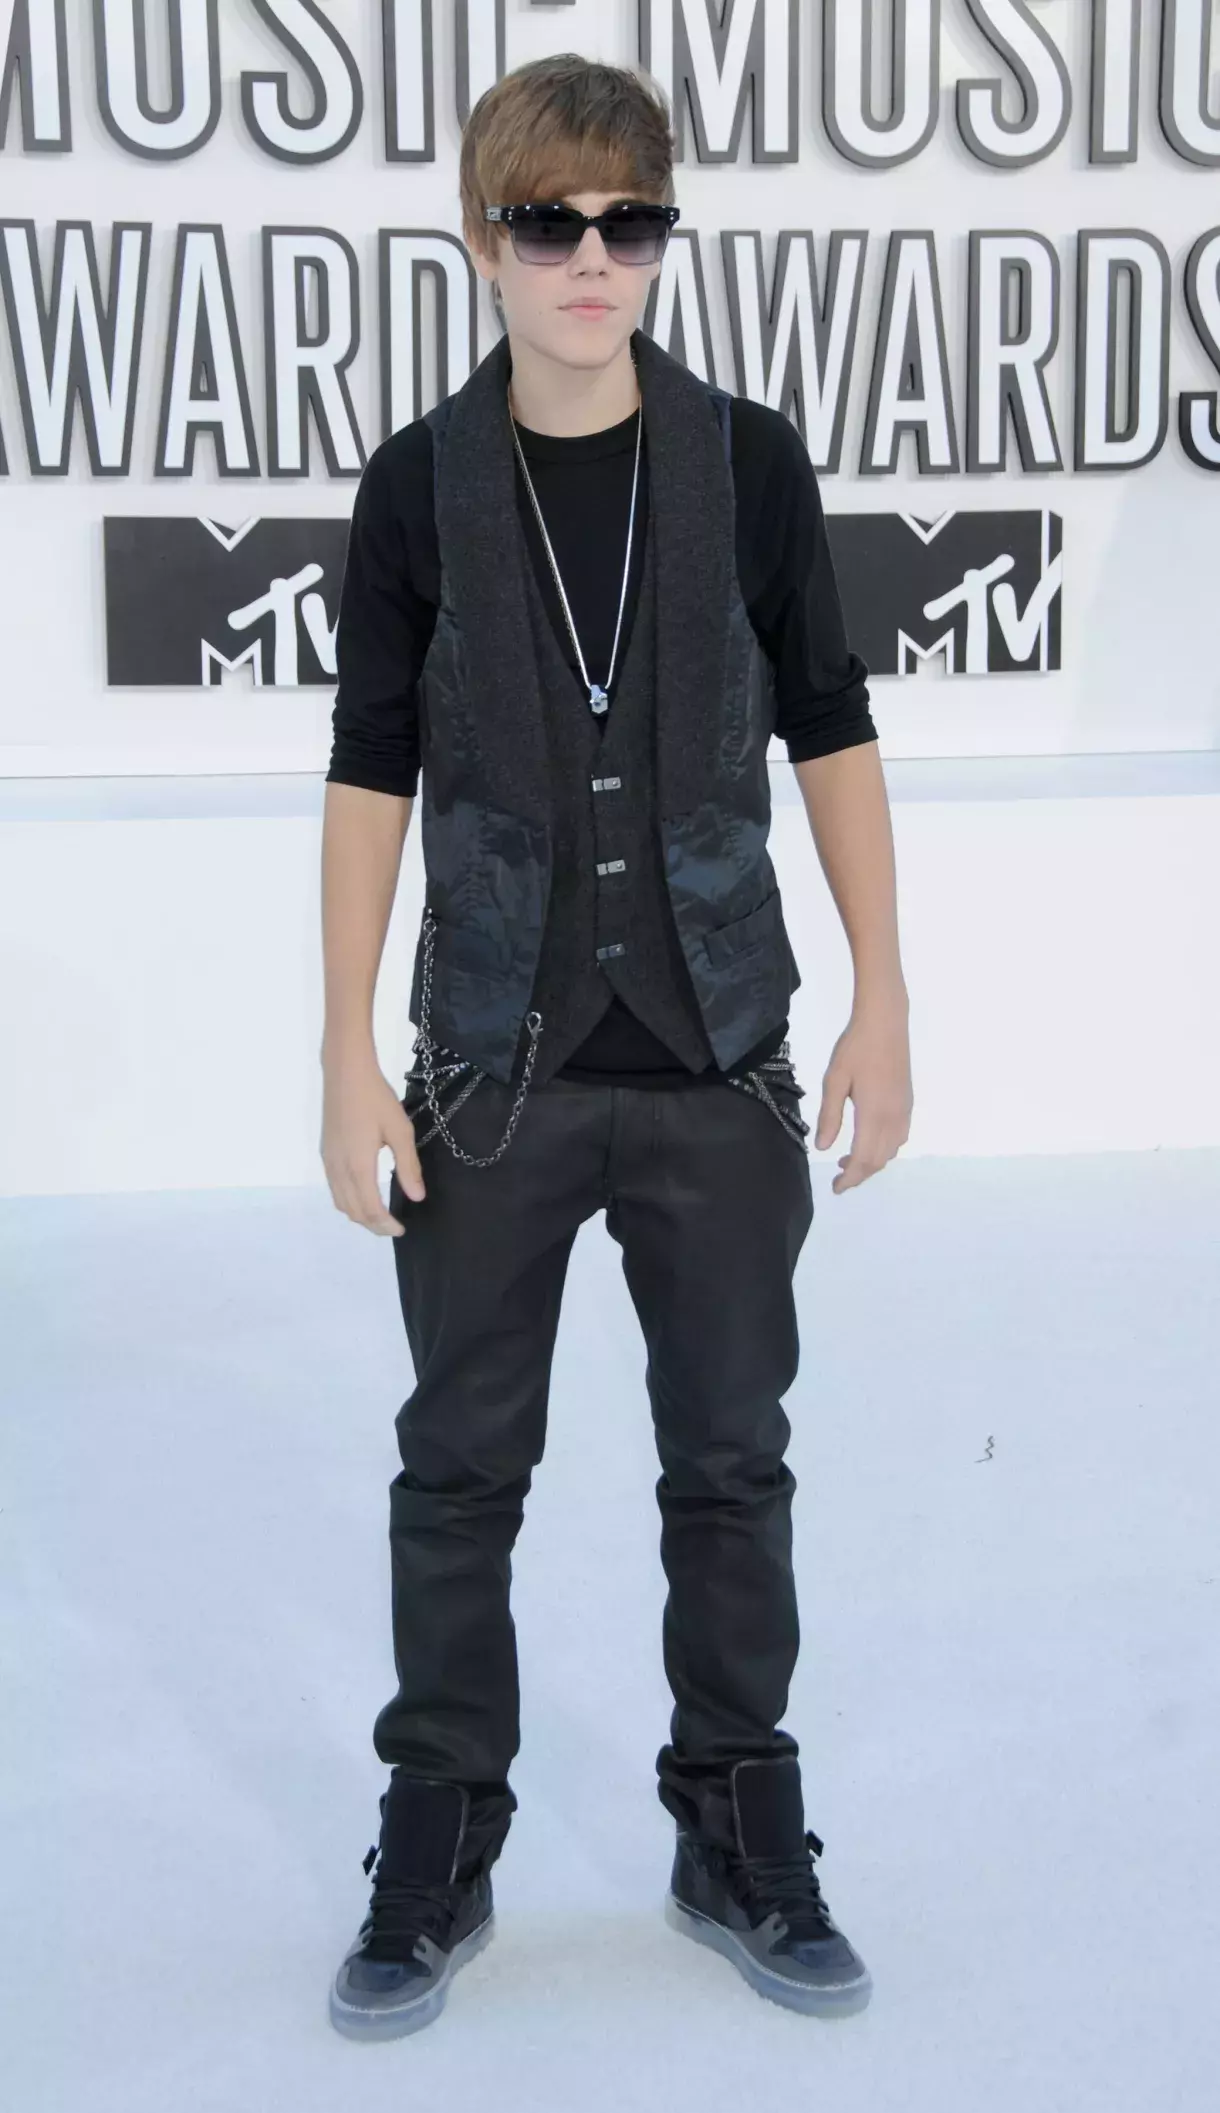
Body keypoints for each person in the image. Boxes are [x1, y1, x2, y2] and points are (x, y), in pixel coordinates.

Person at [319, 52, 912, 2042]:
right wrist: (343, 1051)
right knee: (458, 1469)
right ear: (481, 240)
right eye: (550, 221)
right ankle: (440, 1831)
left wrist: (884, 995)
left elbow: (830, 723)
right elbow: (369, 768)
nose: (592, 258)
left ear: (662, 238)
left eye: (628, 221)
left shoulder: (749, 465)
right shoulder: (416, 484)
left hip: (718, 1052)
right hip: (487, 1067)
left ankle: (736, 1821)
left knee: (732, 1464)